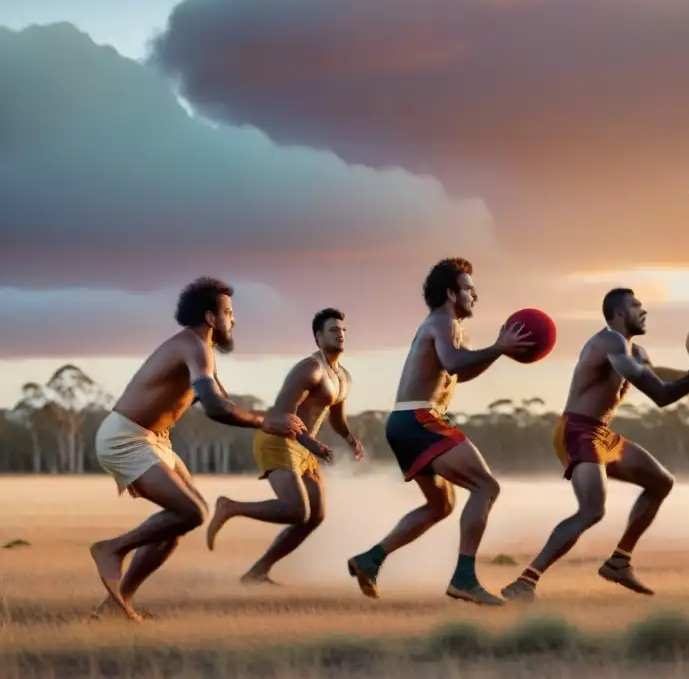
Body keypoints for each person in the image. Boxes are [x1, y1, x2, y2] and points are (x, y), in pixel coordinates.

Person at [89, 277, 316, 621]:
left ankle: (116, 605)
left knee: (176, 526)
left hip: (156, 440)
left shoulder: (202, 351)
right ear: (211, 318)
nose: (233, 319)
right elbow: (214, 408)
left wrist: (276, 422)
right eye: (228, 312)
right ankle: (112, 549)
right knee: (192, 512)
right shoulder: (192, 347)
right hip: (126, 438)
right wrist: (264, 422)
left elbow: (224, 401)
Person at [501, 288, 689, 602]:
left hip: (600, 435)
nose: (643, 310)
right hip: (577, 431)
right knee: (592, 509)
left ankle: (619, 561)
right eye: (636, 306)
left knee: (660, 482)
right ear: (619, 314)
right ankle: (525, 582)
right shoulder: (610, 342)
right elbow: (660, 395)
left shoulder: (635, 351)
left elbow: (658, 376)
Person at [346, 257, 533, 606]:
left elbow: (461, 370)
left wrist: (497, 352)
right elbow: (454, 362)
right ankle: (464, 579)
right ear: (451, 293)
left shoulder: (449, 326)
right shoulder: (442, 321)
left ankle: (370, 560)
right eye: (468, 289)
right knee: (486, 486)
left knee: (440, 505)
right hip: (419, 419)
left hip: (406, 421)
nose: (475, 295)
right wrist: (499, 347)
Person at [205, 307, 363, 584]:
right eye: (332, 330)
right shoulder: (309, 369)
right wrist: (310, 442)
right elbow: (281, 415)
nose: (340, 334)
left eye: (342, 330)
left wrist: (350, 440)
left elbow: (337, 418)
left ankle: (258, 573)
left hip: (305, 447)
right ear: (317, 337)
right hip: (279, 439)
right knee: (296, 510)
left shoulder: (343, 377)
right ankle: (230, 507)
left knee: (314, 516)